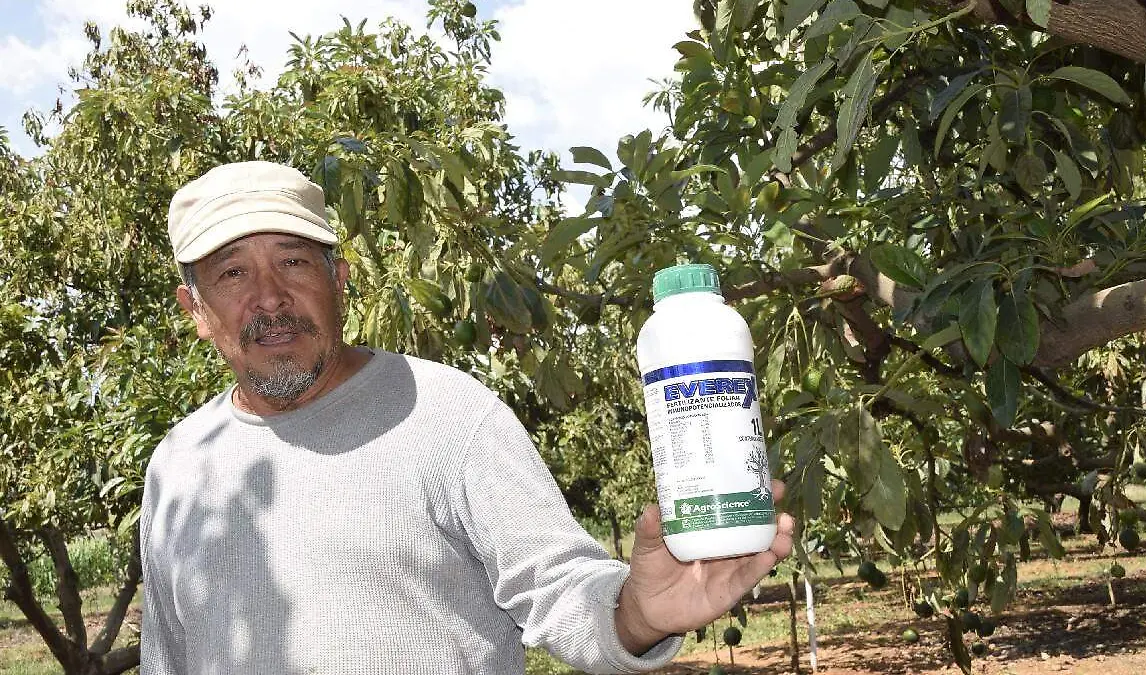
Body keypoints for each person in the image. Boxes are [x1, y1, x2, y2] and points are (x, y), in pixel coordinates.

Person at [139, 161, 794, 674]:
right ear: (194, 308)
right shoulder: (178, 465)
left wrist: (637, 615)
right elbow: (168, 657)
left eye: (291, 260)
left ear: (338, 277)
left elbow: (558, 585)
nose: (270, 296)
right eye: (231, 273)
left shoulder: (449, 415)